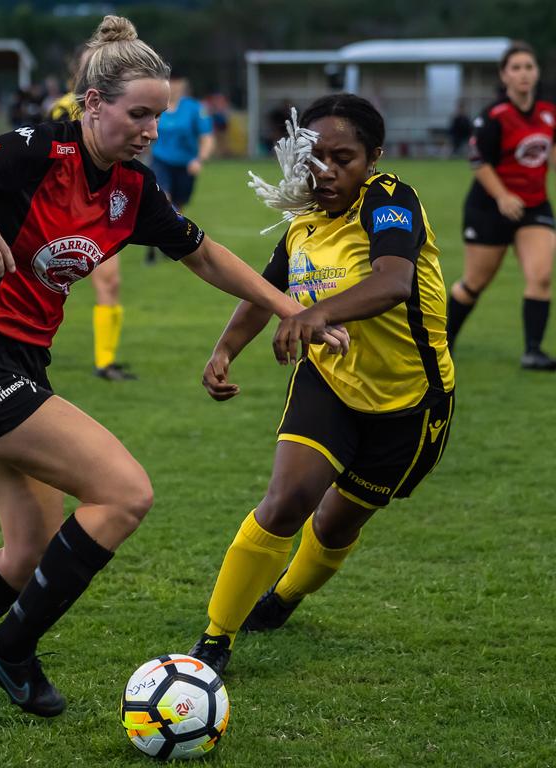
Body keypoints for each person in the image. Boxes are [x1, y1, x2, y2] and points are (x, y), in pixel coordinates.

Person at [0, 15, 344, 716]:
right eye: (138, 114)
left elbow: (205, 253)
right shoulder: (40, 149)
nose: (150, 129)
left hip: (19, 364)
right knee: (124, 494)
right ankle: (9, 650)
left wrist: (290, 309)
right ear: (93, 105)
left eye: (160, 115)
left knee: (26, 549)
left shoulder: (134, 189)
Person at [187, 94, 455, 676]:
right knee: (287, 500)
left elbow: (394, 283)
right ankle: (214, 640)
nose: (326, 171)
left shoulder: (390, 200)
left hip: (411, 402)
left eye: (344, 157)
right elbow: (265, 293)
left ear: (373, 158)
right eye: (314, 157)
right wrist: (225, 348)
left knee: (336, 524)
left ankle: (283, 598)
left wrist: (314, 314)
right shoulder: (303, 225)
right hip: (329, 383)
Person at [446, 42, 556, 371]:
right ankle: (444, 341)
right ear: (504, 75)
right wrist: (503, 196)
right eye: (516, 67)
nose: (524, 73)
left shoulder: (549, 113)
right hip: (488, 208)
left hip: (534, 206)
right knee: (474, 283)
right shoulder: (494, 116)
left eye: (529, 67)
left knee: (542, 275)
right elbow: (478, 161)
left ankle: (533, 351)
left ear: (537, 73)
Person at [50, 47, 135, 380]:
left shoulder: (115, 108)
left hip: (99, 210)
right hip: (60, 213)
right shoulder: (62, 109)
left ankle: (105, 362)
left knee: (110, 283)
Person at [144, 70, 215, 265]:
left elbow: (207, 137)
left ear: (184, 84)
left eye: (177, 81)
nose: (173, 85)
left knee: (178, 207)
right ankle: (152, 247)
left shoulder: (195, 108)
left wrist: (199, 159)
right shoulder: (157, 105)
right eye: (170, 81)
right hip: (161, 162)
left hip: (185, 165)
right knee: (162, 200)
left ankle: (168, 243)